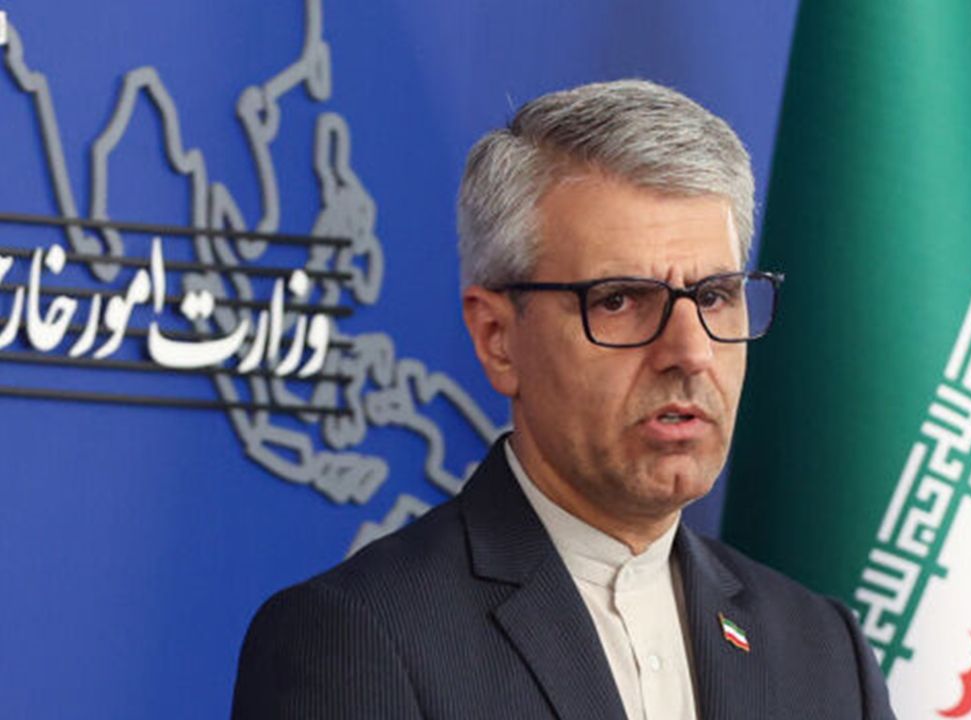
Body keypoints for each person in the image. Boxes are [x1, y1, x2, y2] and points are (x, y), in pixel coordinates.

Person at [231, 79, 896, 719]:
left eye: (715, 296)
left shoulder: (823, 650)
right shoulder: (360, 641)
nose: (691, 352)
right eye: (620, 300)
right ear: (497, 339)